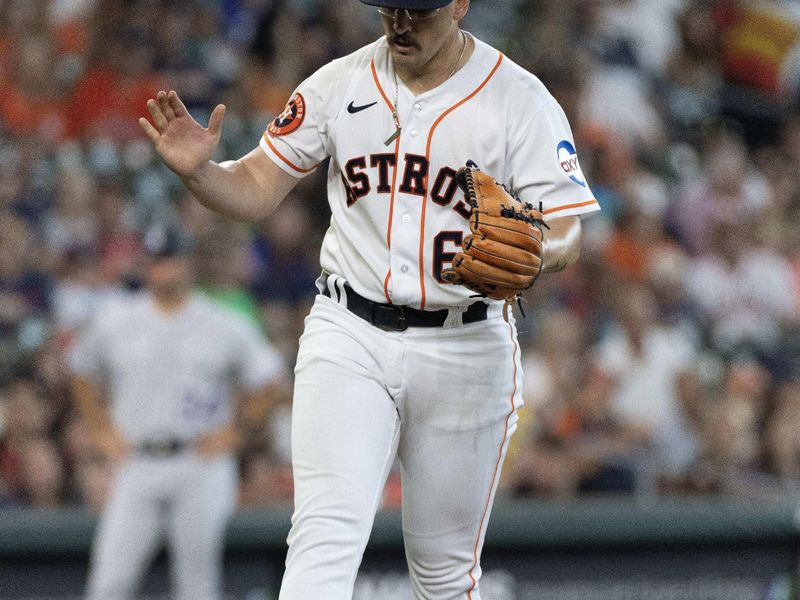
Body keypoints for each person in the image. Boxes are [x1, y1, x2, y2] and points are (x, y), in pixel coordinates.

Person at [139, 1, 600, 597]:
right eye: (390, 6)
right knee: (323, 539)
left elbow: (567, 226)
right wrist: (201, 175)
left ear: (460, 3)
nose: (401, 21)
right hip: (349, 330)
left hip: (467, 343)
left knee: (444, 572)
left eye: (420, 9)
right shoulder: (339, 82)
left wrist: (537, 247)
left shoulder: (520, 98)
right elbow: (255, 185)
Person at [68, 225, 287, 600]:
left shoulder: (222, 321)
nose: (161, 269)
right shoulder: (117, 318)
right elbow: (79, 367)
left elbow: (270, 380)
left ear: (188, 263)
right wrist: (100, 429)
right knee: (108, 585)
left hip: (199, 462)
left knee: (196, 587)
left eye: (169, 259)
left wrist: (236, 432)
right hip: (137, 460)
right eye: (155, 260)